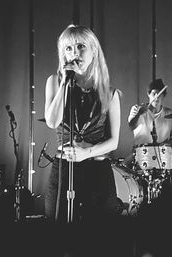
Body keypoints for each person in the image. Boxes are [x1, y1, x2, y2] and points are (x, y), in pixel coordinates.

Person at [44, 24, 121, 222]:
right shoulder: (55, 81)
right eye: (68, 48)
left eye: (80, 46)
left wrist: (86, 153)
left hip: (97, 170)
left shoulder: (109, 92)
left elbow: (114, 142)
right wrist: (65, 83)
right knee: (59, 229)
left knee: (98, 235)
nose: (74, 53)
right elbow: (52, 122)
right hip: (64, 168)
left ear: (93, 50)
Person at [127, 78, 172, 193]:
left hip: (163, 152)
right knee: (122, 170)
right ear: (148, 94)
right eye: (154, 93)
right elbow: (131, 126)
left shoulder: (169, 113)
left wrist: (167, 144)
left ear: (164, 96)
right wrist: (139, 114)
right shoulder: (137, 109)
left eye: (160, 94)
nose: (157, 97)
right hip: (139, 153)